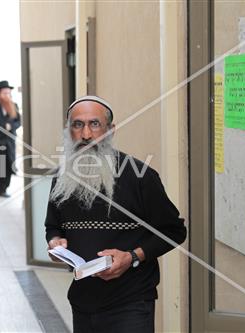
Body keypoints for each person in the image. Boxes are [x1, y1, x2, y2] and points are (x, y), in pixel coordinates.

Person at [45, 96, 187, 333]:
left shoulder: (140, 176)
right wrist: (55, 242)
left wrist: (132, 257)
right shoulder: (62, 178)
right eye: (78, 125)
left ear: (110, 130)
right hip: (82, 301)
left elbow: (174, 231)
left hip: (130, 303)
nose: (86, 134)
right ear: (69, 131)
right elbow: (53, 226)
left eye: (95, 124)